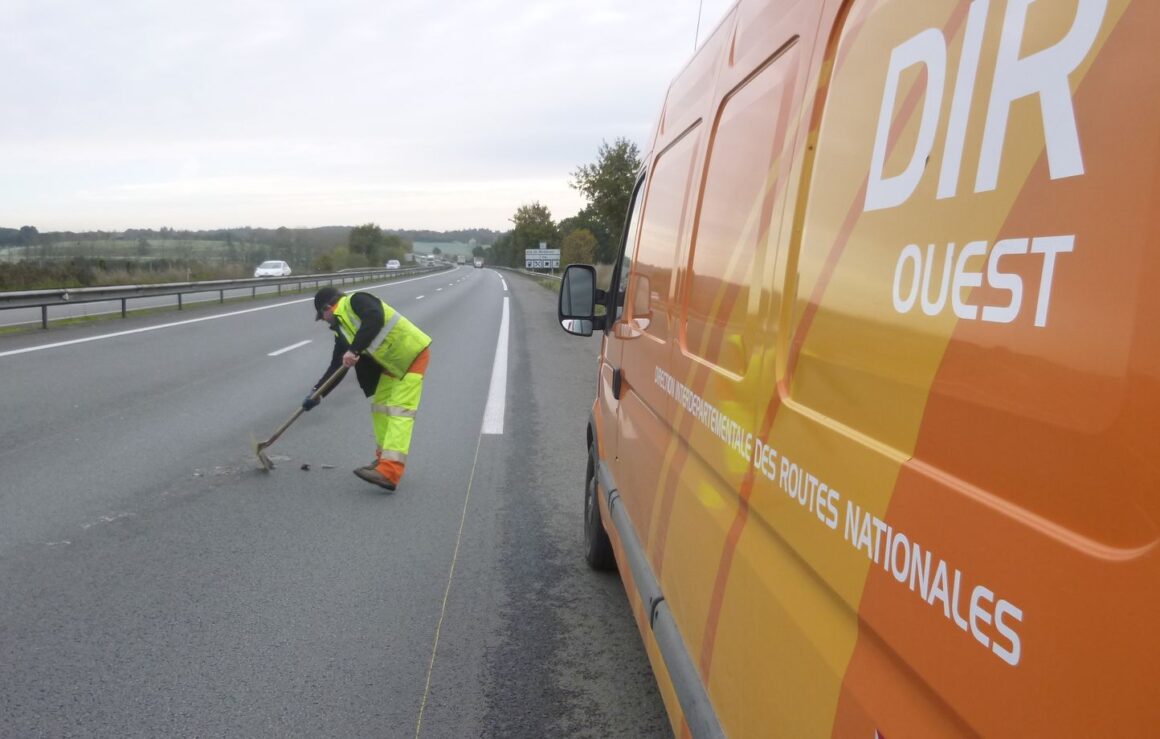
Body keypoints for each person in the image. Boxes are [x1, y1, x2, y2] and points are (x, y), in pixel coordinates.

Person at [303, 286, 432, 491]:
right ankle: (382, 461)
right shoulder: (342, 330)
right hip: (391, 364)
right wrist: (317, 393)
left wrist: (355, 349)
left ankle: (389, 472)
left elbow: (375, 317)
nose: (324, 321)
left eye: (322, 316)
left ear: (328, 308)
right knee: (381, 408)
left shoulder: (356, 300)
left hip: (410, 354)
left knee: (399, 412)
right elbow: (337, 366)